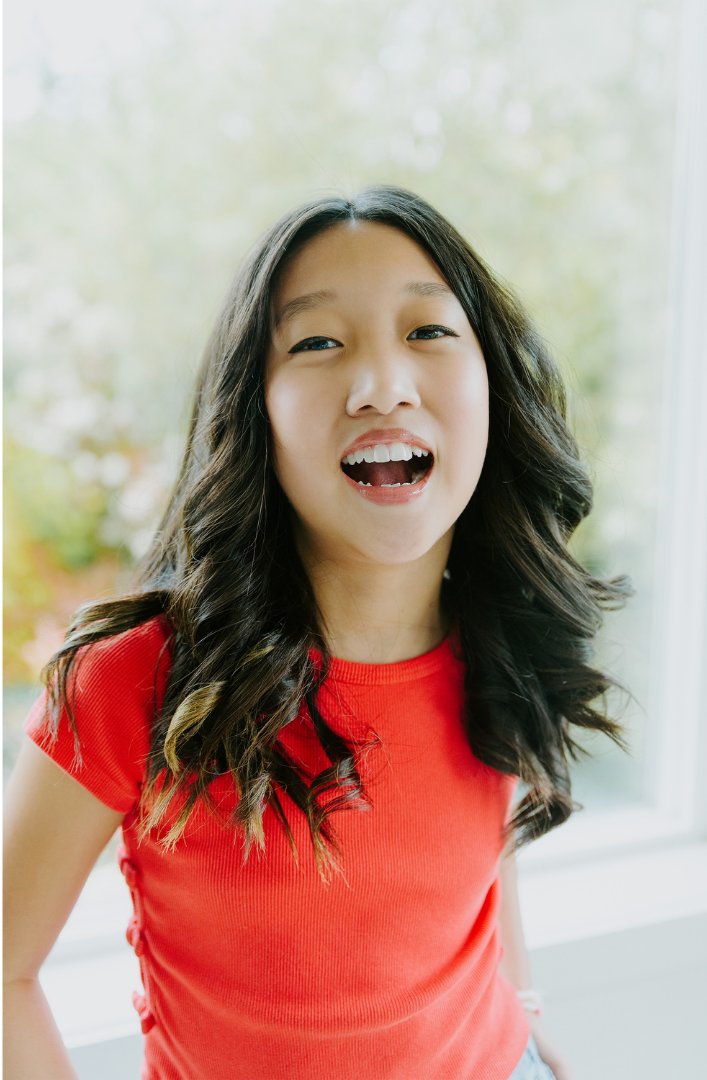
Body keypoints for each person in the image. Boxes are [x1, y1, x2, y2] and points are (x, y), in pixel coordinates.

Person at [4, 186, 628, 1080]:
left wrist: (523, 1018)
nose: (382, 384)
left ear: (492, 381)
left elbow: (479, 867)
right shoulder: (131, 681)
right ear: (254, 409)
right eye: (319, 343)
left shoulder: (504, 634)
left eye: (429, 332)